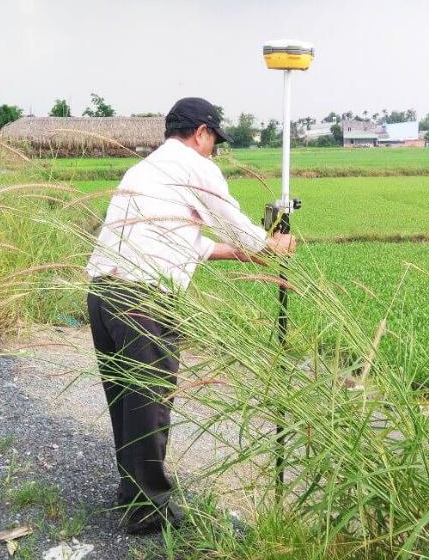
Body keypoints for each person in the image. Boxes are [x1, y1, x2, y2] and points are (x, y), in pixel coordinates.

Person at [86, 97, 296, 534]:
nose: (213, 150)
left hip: (103, 293)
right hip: (143, 299)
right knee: (150, 401)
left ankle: (133, 491)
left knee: (125, 399)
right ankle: (149, 511)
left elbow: (188, 241)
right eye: (214, 141)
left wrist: (243, 253)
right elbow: (234, 222)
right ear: (201, 132)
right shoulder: (194, 165)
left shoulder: (145, 169)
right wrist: (267, 245)